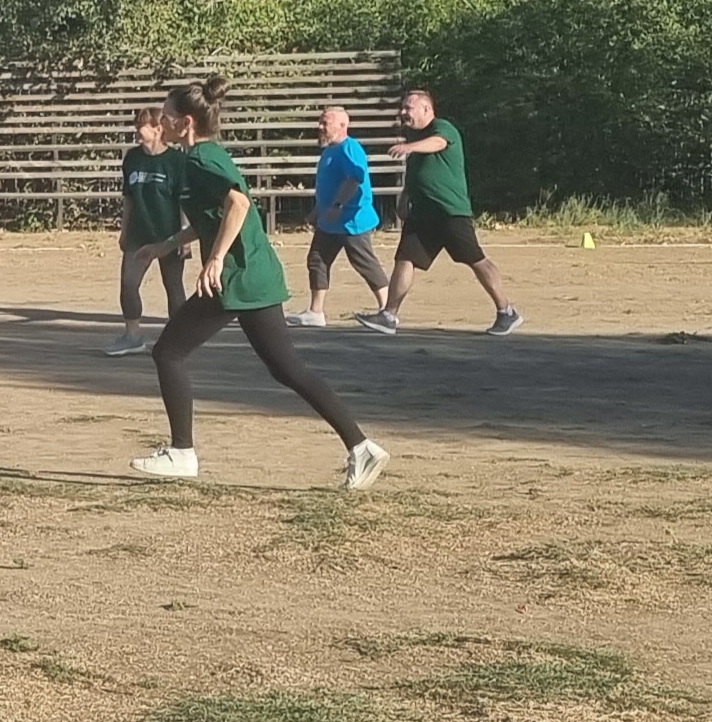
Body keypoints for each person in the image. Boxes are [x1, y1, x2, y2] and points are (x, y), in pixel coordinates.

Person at [129, 78, 388, 489]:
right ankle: (361, 446)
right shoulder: (201, 156)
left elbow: (238, 204)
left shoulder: (201, 159)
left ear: (186, 122)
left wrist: (215, 259)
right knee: (286, 368)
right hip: (254, 274)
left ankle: (182, 453)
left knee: (168, 353)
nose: (162, 122)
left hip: (236, 276)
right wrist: (165, 246)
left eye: (167, 115)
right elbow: (212, 218)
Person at [354, 89, 522, 336]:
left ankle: (506, 311)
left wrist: (410, 147)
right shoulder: (415, 139)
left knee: (476, 260)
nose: (403, 112)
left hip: (450, 212)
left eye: (408, 108)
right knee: (405, 259)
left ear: (426, 109)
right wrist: (404, 198)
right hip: (422, 215)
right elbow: (416, 177)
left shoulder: (442, 128)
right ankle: (389, 315)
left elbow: (438, 143)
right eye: (403, 108)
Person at [295, 104, 389, 328]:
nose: (320, 127)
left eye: (325, 123)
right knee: (317, 260)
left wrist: (338, 206)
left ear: (342, 125)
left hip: (351, 220)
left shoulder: (350, 148)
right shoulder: (329, 150)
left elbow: (354, 178)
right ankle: (315, 312)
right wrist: (318, 212)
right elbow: (328, 186)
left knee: (364, 263)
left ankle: (387, 310)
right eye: (320, 122)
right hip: (329, 221)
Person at [107, 106, 190, 354]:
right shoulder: (132, 158)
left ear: (157, 129)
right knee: (128, 283)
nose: (137, 131)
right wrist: (124, 231)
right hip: (138, 234)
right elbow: (128, 198)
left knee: (173, 286)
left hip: (168, 235)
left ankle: (180, 338)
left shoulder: (176, 161)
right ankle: (133, 335)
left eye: (141, 126)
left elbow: (184, 201)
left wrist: (184, 236)